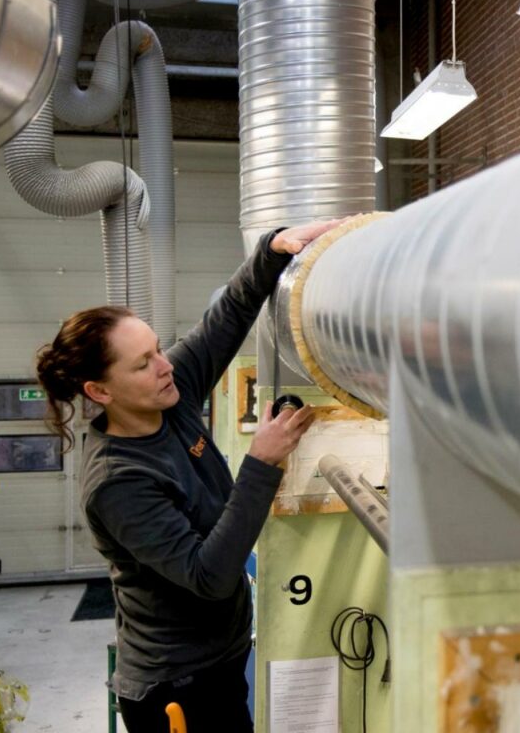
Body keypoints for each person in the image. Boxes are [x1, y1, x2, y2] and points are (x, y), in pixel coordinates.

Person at [34, 221, 342, 732]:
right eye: (143, 363)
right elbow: (209, 578)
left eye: (157, 348)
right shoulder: (119, 481)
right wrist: (261, 466)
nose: (164, 365)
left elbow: (224, 320)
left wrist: (272, 248)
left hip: (218, 667)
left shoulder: (164, 397)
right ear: (100, 392)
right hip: (176, 691)